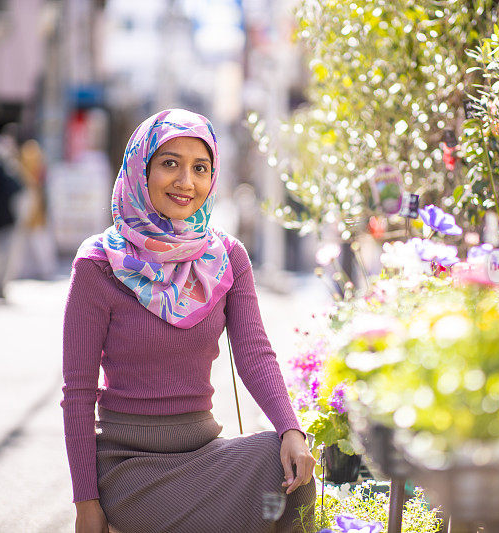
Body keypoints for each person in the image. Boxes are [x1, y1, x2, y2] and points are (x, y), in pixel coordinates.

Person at [61, 109, 316, 533]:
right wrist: (86, 504)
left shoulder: (226, 257)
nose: (186, 182)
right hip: (130, 469)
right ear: (140, 169)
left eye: (200, 168)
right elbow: (78, 391)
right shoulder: (99, 263)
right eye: (169, 164)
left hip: (204, 451)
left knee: (290, 470)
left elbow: (254, 353)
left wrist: (291, 429)